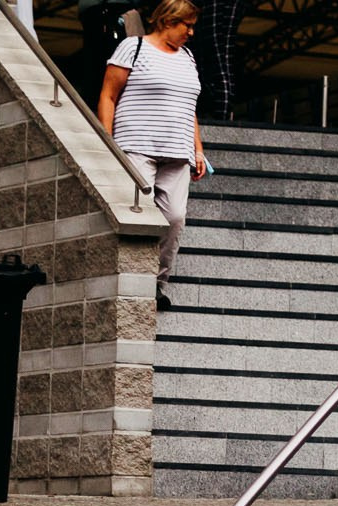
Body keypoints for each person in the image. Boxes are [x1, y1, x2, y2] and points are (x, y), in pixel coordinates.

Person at [98, 0, 209, 312]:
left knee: (174, 218)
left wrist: (197, 149)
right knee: (138, 217)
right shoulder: (133, 48)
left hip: (178, 151)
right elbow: (108, 95)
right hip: (136, 146)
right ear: (166, 22)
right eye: (185, 25)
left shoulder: (187, 56)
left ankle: (156, 285)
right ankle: (130, 280)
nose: (190, 32)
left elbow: (190, 107)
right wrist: (107, 141)